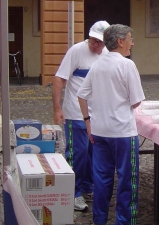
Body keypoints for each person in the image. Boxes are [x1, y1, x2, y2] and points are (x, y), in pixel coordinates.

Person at [77, 24, 145, 225]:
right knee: (127, 181)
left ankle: (100, 220)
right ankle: (124, 222)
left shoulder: (98, 64)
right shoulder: (126, 65)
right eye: (130, 39)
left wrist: (88, 121)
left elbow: (81, 94)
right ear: (120, 41)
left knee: (102, 180)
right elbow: (136, 101)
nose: (132, 43)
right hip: (122, 132)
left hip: (100, 131)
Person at [52, 20, 110, 211]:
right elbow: (59, 79)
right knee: (78, 153)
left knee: (94, 153)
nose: (96, 45)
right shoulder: (76, 51)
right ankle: (73, 192)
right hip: (76, 113)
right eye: (93, 40)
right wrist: (57, 109)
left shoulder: (107, 54)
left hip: (97, 114)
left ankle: (88, 186)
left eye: (100, 42)